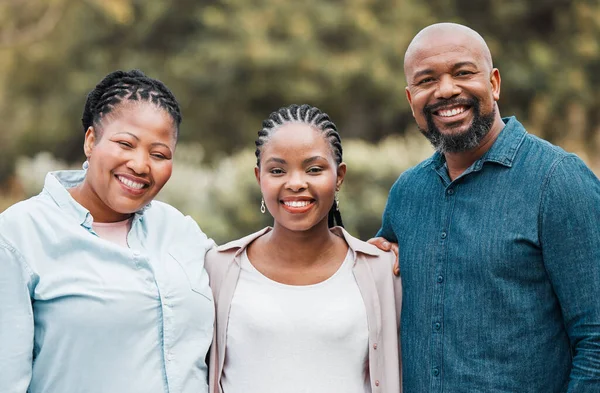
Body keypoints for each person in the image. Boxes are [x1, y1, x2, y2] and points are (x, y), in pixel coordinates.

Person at [371, 23, 600, 392]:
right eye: (426, 80)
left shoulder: (558, 180)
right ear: (410, 98)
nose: (446, 90)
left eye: (462, 73)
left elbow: (596, 342)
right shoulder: (407, 194)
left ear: (493, 83)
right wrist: (377, 261)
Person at [0, 70, 215, 393]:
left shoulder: (181, 231)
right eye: (125, 144)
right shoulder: (18, 236)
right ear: (91, 141)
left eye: (159, 155)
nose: (141, 165)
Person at [204, 104, 402, 393]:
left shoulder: (381, 271)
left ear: (339, 177)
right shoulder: (218, 267)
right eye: (277, 170)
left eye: (314, 169)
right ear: (259, 178)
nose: (296, 183)